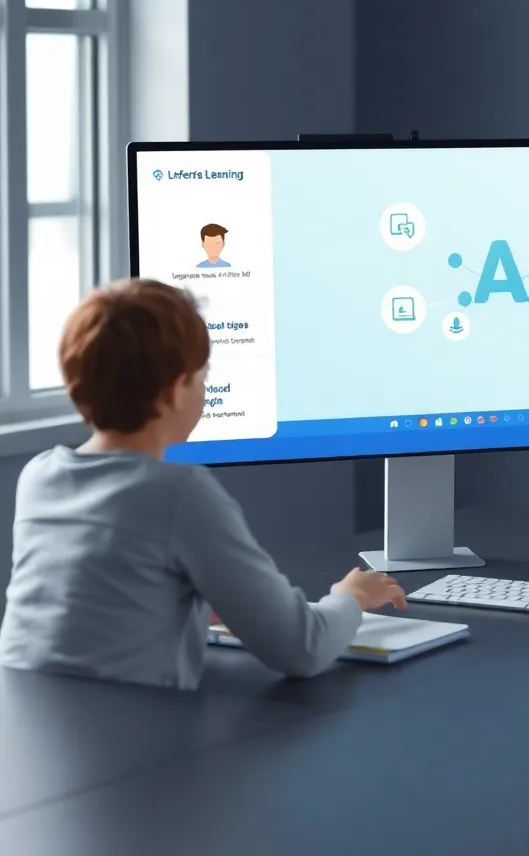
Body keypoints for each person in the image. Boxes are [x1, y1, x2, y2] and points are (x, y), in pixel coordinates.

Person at [0, 279, 405, 689]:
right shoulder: (178, 492)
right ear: (175, 391)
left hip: (25, 734)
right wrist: (350, 597)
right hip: (124, 739)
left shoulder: (39, 475)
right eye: (203, 376)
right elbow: (301, 647)